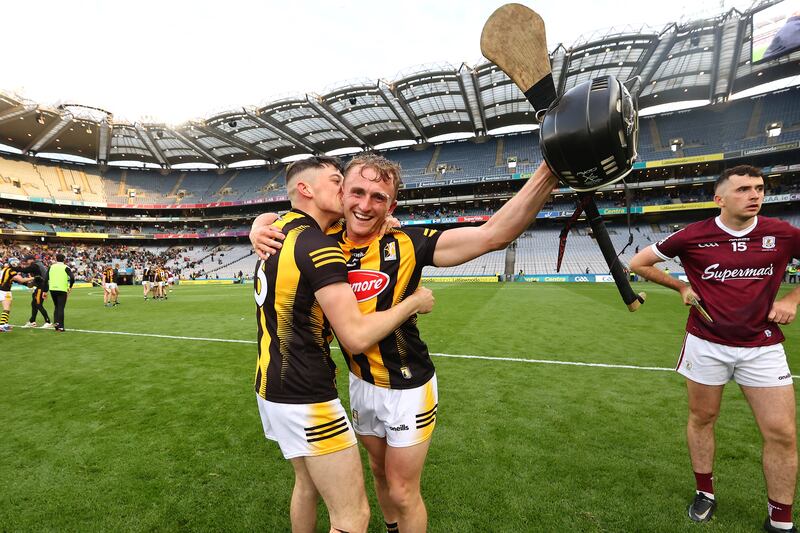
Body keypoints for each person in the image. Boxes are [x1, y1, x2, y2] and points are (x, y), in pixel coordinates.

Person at [252, 154, 557, 533]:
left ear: (391, 206)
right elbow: (283, 217)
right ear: (343, 193)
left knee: (402, 489)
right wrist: (257, 225)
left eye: (378, 198)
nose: (365, 205)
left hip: (408, 385)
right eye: (358, 193)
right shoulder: (322, 239)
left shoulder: (407, 242)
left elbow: (492, 235)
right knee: (379, 474)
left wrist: (548, 173)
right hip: (361, 383)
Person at [253, 156, 435, 533]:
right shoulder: (319, 245)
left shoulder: (280, 230)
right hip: (307, 394)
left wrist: (255, 224)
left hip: (269, 385)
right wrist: (414, 302)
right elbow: (354, 336)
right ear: (306, 190)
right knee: (352, 518)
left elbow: (271, 218)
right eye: (338, 181)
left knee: (305, 486)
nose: (345, 191)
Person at [629, 165, 800, 532]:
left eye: (759, 188)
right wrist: (680, 287)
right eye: (743, 190)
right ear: (719, 199)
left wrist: (793, 298)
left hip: (762, 347)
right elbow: (638, 263)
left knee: (782, 433)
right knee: (703, 419)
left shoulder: (782, 234)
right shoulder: (692, 236)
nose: (754, 195)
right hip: (706, 345)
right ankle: (705, 492)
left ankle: (781, 520)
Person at [0, 257, 34, 332]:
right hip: (4, 291)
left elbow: (13, 279)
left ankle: (4, 324)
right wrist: (32, 278)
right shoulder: (11, 271)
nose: (17, 264)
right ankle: (2, 325)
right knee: (6, 308)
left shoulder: (4, 269)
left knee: (8, 307)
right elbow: (21, 280)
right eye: (16, 263)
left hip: (3, 290)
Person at [21, 255, 53, 328]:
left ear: (31, 260)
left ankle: (48, 322)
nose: (26, 262)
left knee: (38, 304)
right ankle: (32, 321)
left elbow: (43, 278)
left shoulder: (36, 266)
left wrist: (44, 289)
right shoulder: (38, 265)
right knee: (34, 304)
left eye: (27, 261)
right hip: (40, 287)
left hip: (41, 287)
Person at [48, 253, 75, 332]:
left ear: (56, 259)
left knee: (56, 307)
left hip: (52, 289)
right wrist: (70, 286)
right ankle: (61, 327)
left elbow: (46, 278)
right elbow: (72, 278)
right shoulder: (66, 267)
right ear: (64, 259)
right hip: (62, 289)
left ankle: (56, 326)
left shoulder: (51, 267)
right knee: (61, 308)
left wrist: (45, 290)